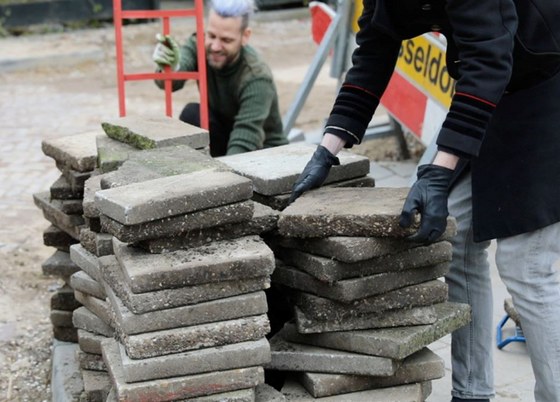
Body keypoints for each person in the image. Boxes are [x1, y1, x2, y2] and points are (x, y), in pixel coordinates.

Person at [289, 1, 560, 401]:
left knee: (525, 263)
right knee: (455, 234)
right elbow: (375, 49)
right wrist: (330, 146)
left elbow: (488, 59)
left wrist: (439, 170)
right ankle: (472, 393)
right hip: (493, 85)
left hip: (547, 82)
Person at [152, 0, 288, 157]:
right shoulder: (200, 45)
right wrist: (170, 67)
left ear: (245, 36)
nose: (215, 47)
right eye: (211, 35)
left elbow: (246, 139)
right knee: (192, 114)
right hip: (225, 135)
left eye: (226, 40)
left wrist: (226, 179)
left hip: (265, 152)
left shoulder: (256, 77)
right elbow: (169, 83)